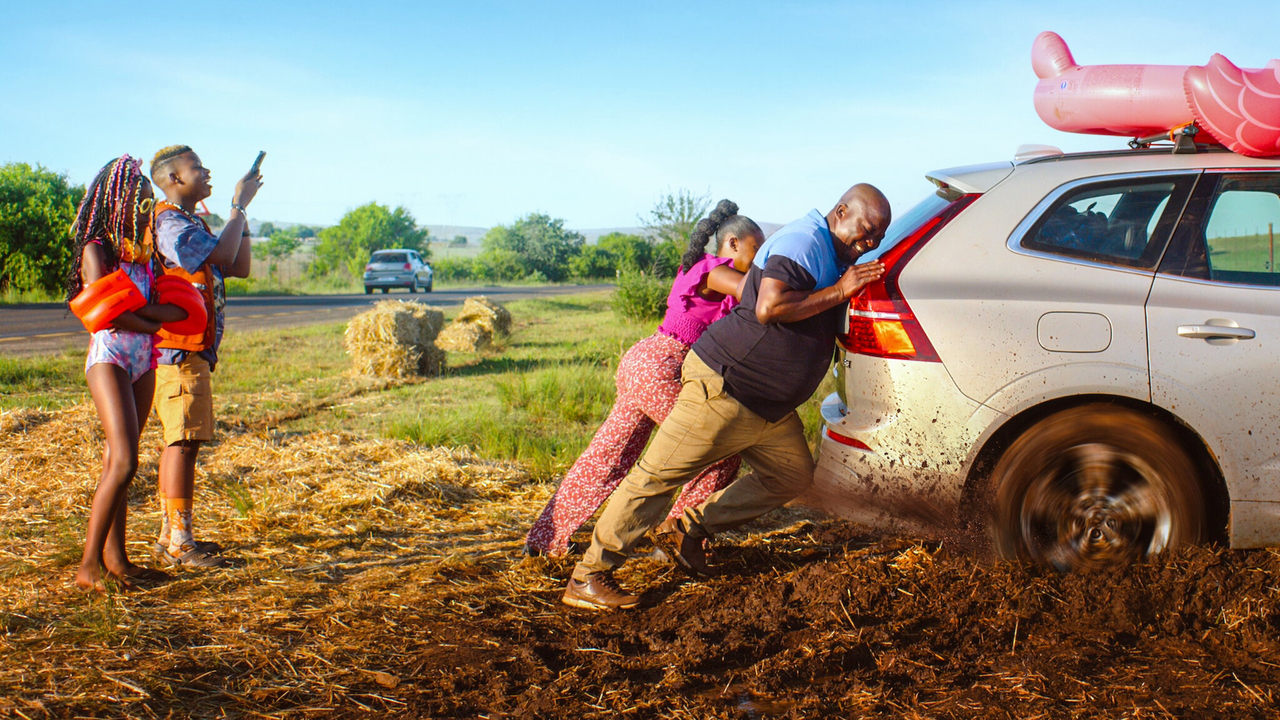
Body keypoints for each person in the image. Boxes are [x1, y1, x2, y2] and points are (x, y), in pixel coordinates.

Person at [562, 184, 891, 610]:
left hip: (767, 405)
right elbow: (768, 308)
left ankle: (688, 529)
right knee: (656, 478)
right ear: (841, 211)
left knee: (791, 477)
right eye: (865, 230)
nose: (869, 243)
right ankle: (588, 576)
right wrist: (841, 291)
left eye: (878, 237)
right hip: (726, 387)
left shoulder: (829, 250)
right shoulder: (805, 241)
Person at [524, 200, 764, 557]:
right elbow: (755, 292)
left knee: (608, 455)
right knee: (717, 448)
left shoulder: (705, 272)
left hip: (646, 361)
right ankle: (678, 538)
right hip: (664, 366)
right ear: (732, 244)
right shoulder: (713, 270)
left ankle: (545, 543)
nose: (759, 260)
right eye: (756, 250)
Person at [68, 155, 188, 592]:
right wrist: (151, 320)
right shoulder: (95, 248)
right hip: (111, 359)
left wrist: (144, 316)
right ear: (114, 196)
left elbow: (162, 305)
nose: (143, 198)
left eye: (145, 191)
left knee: (121, 461)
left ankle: (117, 560)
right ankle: (87, 567)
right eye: (135, 191)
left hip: (145, 361)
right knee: (124, 460)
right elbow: (105, 314)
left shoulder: (142, 254)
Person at [148, 145, 262, 567]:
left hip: (192, 349)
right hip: (180, 349)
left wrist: (241, 217)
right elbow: (219, 254)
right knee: (182, 442)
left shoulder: (190, 222)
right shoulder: (170, 224)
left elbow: (237, 264)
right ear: (175, 179)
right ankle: (180, 541)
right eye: (196, 167)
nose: (206, 170)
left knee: (184, 442)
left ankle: (170, 535)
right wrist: (236, 205)